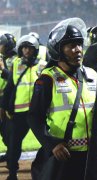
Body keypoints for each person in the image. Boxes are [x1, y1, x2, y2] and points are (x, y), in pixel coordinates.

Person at [28, 18, 97, 180]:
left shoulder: (93, 75)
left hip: (92, 155)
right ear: (58, 49)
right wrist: (52, 144)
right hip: (65, 155)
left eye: (79, 44)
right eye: (71, 46)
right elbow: (33, 117)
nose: (78, 49)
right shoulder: (47, 78)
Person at [0, 34, 46, 180]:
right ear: (20, 49)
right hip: (19, 113)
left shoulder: (43, 65)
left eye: (30, 48)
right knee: (13, 145)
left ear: (35, 50)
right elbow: (10, 87)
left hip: (37, 112)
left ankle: (50, 170)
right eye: (24, 48)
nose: (27, 51)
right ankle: (12, 174)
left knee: (48, 142)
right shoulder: (16, 64)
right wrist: (6, 107)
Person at [0, 33, 17, 163]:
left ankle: (11, 156)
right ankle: (10, 153)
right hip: (3, 99)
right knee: (4, 130)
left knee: (8, 131)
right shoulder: (3, 58)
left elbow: (14, 80)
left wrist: (2, 68)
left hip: (10, 101)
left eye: (1, 44)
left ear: (7, 46)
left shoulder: (16, 60)